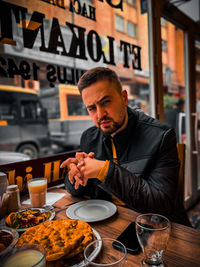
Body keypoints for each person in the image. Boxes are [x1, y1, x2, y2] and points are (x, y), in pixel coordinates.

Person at [61, 67, 191, 227]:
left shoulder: (161, 136)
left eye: (106, 102)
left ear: (124, 98)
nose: (100, 114)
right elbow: (77, 192)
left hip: (158, 231)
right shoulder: (89, 137)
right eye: (92, 108)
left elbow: (162, 206)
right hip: (108, 225)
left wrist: (105, 171)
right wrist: (76, 174)